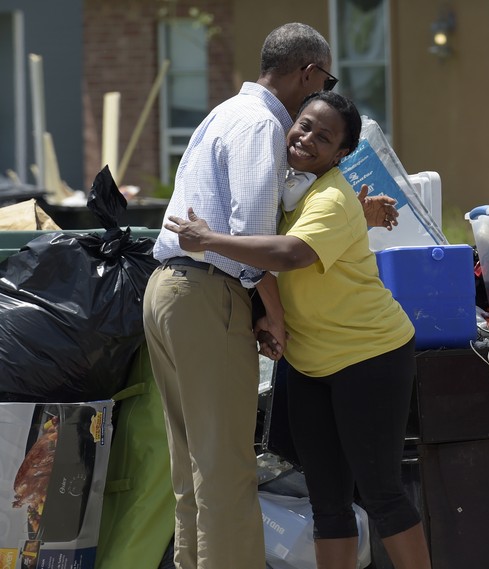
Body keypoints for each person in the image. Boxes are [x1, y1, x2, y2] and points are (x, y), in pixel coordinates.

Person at [163, 91, 432, 569]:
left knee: (381, 493)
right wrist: (268, 316)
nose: (305, 138)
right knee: (326, 500)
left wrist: (207, 239)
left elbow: (290, 254)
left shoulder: (330, 195)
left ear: (341, 155)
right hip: (309, 363)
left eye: (322, 137)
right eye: (303, 125)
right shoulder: (289, 188)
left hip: (369, 357)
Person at [142, 22, 335, 569]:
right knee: (226, 471)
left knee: (193, 472)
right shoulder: (261, 125)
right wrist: (274, 314)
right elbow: (254, 240)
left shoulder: (224, 111)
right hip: (209, 294)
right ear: (309, 73)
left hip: (167, 291)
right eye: (324, 82)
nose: (320, 95)